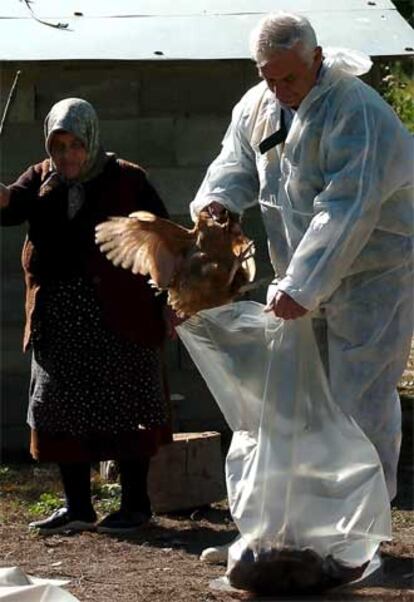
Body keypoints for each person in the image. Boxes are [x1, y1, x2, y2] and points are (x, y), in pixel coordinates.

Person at [190, 12, 414, 563]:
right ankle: (294, 533)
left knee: (357, 400)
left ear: (316, 59)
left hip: (372, 276)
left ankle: (362, 539)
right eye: (269, 77)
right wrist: (217, 203)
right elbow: (235, 162)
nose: (280, 89)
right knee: (294, 405)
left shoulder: (355, 111)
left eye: (290, 78)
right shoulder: (260, 103)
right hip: (301, 276)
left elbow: (347, 209)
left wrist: (302, 284)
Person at [0, 98, 173, 535]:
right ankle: (78, 507)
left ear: (92, 141)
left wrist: (172, 299)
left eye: (76, 145)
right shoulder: (41, 178)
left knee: (127, 403)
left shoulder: (128, 179)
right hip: (59, 319)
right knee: (60, 409)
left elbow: (164, 236)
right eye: (59, 146)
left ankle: (136, 506)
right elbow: (9, 206)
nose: (67, 156)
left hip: (122, 313)